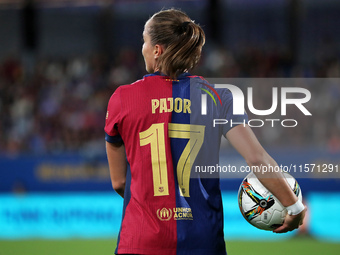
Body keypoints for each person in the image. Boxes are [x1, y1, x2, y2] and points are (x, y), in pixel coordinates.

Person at [105, 8, 306, 255]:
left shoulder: (122, 98)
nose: (143, 48)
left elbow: (120, 182)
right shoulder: (217, 97)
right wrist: (294, 207)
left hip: (140, 240)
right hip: (202, 240)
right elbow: (256, 158)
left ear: (157, 50)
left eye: (144, 42)